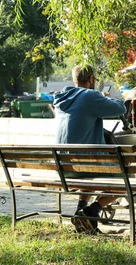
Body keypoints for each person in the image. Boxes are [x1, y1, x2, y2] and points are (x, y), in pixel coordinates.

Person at [53, 64, 126, 234]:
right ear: (92, 79)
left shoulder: (61, 98)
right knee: (127, 178)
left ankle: (81, 211)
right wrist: (105, 99)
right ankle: (92, 211)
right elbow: (121, 108)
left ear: (75, 79)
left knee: (90, 167)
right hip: (83, 166)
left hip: (63, 166)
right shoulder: (91, 96)